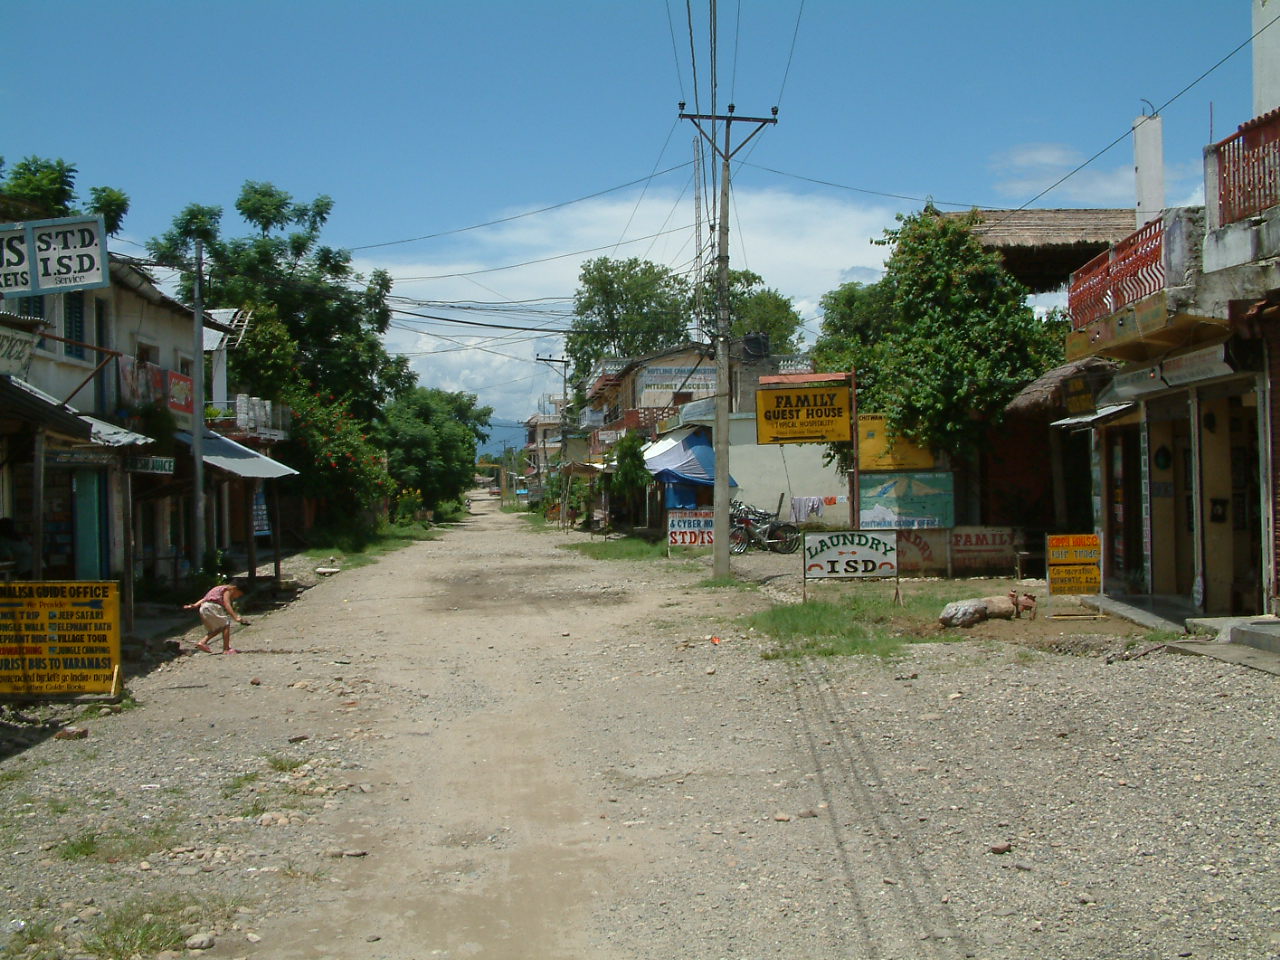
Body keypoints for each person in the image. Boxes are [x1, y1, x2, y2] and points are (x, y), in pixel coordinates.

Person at [183, 580, 251, 654]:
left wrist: (195, 605)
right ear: (235, 588)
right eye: (239, 594)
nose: (237, 597)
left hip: (204, 608)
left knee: (218, 628)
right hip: (213, 607)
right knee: (226, 625)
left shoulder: (218, 589)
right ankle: (226, 649)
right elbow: (227, 604)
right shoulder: (227, 590)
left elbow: (204, 599)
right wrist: (235, 617)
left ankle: (202, 643)